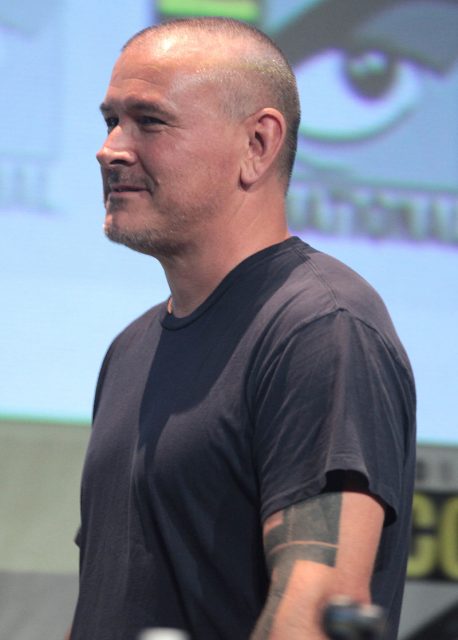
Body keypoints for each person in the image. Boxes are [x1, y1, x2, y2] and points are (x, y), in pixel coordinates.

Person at [69, 17, 416, 640]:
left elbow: (319, 607)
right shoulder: (129, 349)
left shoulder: (322, 328)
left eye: (149, 121)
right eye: (111, 121)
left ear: (258, 143)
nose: (110, 148)